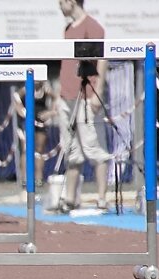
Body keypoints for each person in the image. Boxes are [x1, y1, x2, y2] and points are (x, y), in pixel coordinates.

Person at [56, 0, 111, 212]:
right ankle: (70, 198)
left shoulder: (93, 26)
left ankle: (101, 197)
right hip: (67, 96)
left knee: (94, 145)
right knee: (71, 149)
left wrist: (98, 92)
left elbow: (102, 58)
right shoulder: (68, 29)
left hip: (87, 95)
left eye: (61, 2)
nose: (59, 7)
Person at [15, 82, 55, 187]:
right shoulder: (26, 89)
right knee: (26, 150)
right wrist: (21, 111)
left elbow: (57, 98)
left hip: (41, 122)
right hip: (27, 121)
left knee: (40, 150)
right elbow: (15, 98)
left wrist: (50, 112)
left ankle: (39, 178)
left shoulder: (46, 90)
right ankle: (25, 178)